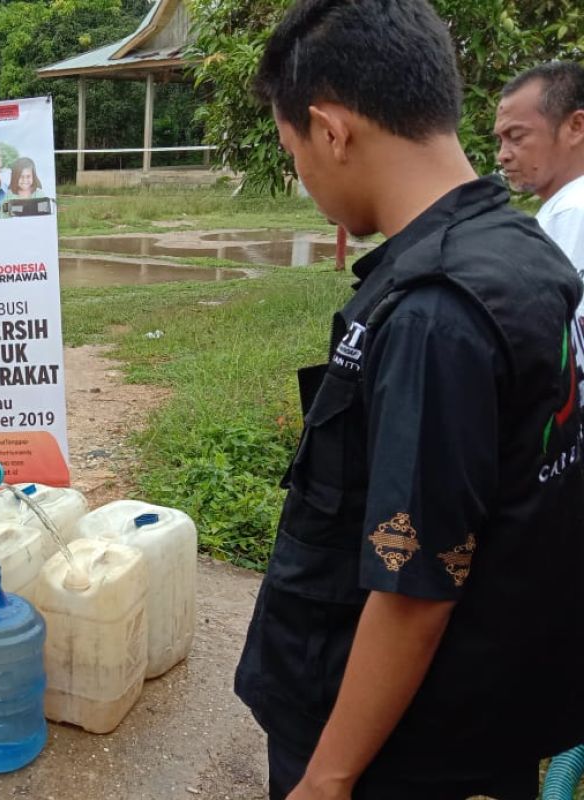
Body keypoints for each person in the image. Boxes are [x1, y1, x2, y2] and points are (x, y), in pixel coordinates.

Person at [233, 3, 584, 799]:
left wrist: (328, 778)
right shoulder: (524, 253)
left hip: (393, 750)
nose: (306, 181)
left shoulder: (435, 314)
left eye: (294, 155)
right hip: (478, 716)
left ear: (330, 130)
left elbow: (414, 589)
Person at [495, 61, 584, 273]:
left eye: (516, 137)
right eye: (500, 141)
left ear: (576, 127)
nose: (502, 156)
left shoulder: (571, 211)